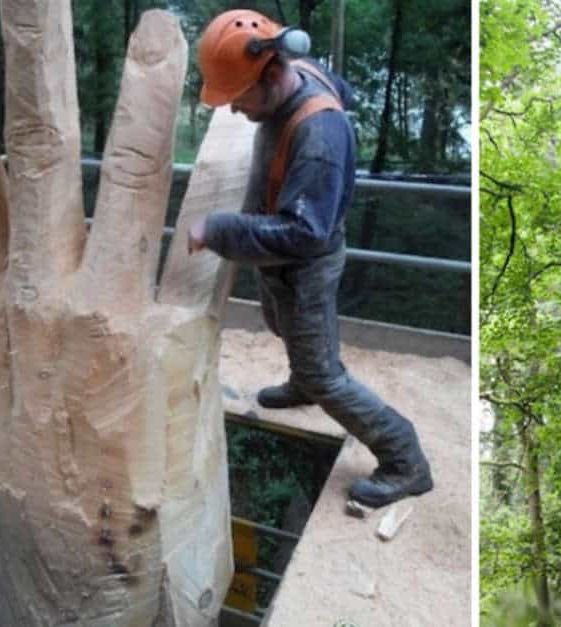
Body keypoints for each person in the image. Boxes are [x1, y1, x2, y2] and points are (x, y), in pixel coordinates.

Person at [188, 9, 432, 508]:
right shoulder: (298, 69)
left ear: (272, 75)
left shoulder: (320, 136)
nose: (234, 111)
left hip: (304, 260)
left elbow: (303, 233)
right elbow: (344, 89)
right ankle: (303, 382)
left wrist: (218, 229)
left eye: (240, 99)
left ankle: (404, 458)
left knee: (326, 373)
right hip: (280, 248)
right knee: (281, 322)